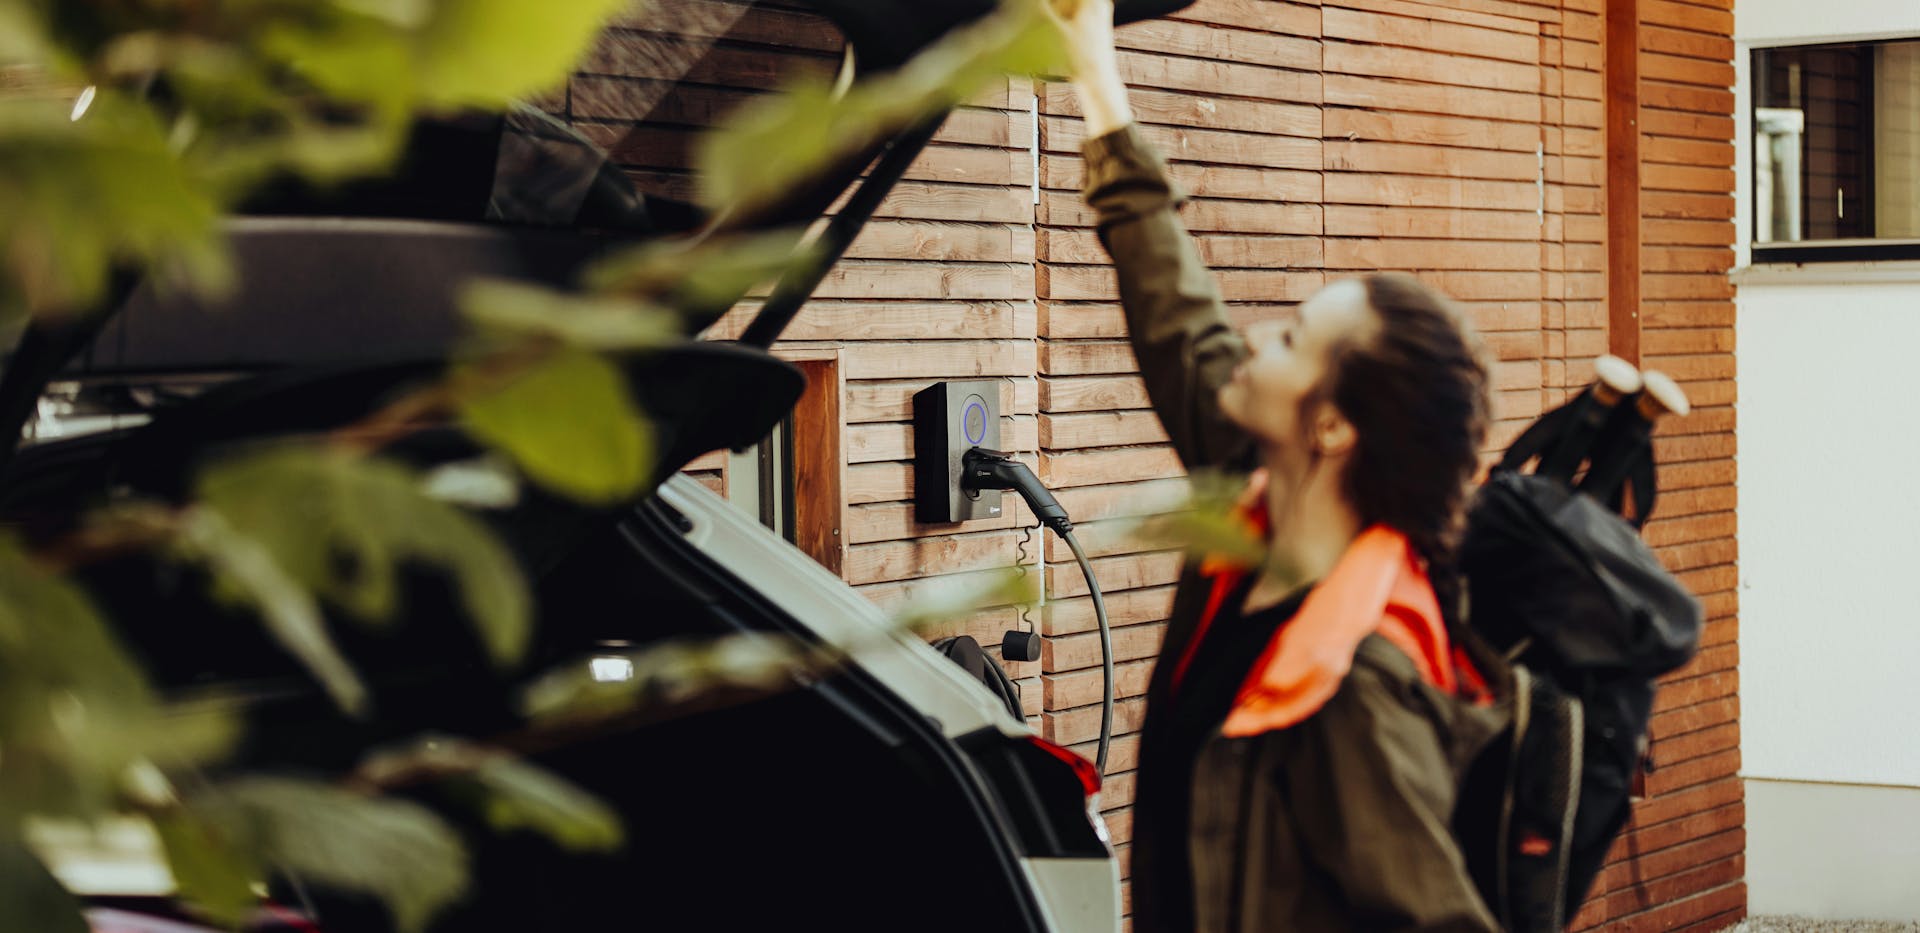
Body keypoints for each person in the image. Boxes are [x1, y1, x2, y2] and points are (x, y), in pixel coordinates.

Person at [1046, 1, 1509, 930]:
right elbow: (1178, 313)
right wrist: (1093, 66)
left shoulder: (1358, 684)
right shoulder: (1252, 512)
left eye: (1291, 337)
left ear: (1331, 426)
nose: (1254, 339)